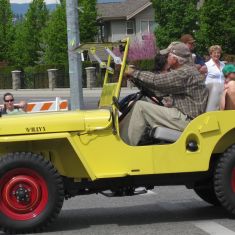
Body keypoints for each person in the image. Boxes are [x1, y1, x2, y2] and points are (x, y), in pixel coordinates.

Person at [120, 42, 208, 146]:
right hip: (185, 115)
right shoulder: (187, 71)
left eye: (168, 56)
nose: (166, 58)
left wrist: (134, 72)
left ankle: (124, 145)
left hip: (187, 119)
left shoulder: (185, 73)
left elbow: (156, 80)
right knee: (142, 102)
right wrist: (135, 77)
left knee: (140, 107)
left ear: (175, 59)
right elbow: (159, 89)